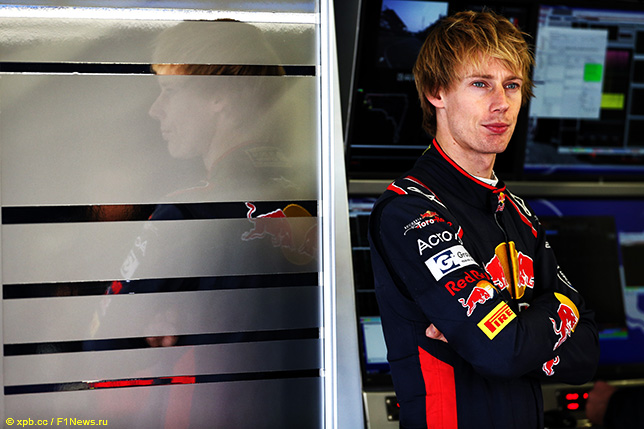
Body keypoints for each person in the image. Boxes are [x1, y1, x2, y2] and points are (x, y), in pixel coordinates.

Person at [368, 10, 600, 429]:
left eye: (512, 85)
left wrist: (499, 337)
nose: (501, 104)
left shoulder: (518, 212)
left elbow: (586, 354)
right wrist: (557, 313)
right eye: (480, 84)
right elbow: (502, 352)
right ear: (437, 92)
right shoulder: (409, 211)